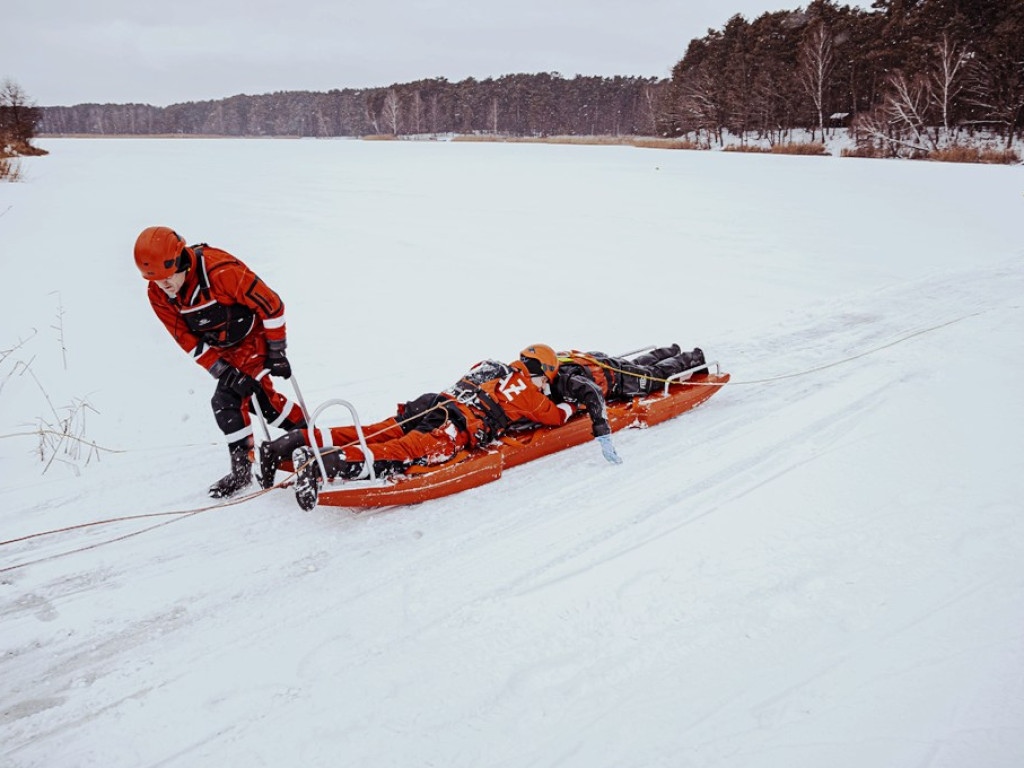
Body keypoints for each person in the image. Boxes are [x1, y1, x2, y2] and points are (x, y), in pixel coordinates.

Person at [257, 351, 578, 505]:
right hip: (455, 424)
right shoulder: (529, 392)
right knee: (405, 451)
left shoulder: (490, 366)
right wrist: (573, 404)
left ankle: (288, 444)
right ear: (541, 373)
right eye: (545, 380)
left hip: (434, 403)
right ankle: (324, 464)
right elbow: (556, 418)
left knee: (375, 431)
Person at [134, 226, 305, 498]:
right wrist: (224, 371)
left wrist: (276, 351)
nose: (163, 287)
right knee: (261, 401)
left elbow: (272, 305)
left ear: (180, 262)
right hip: (224, 348)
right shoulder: (157, 294)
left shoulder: (221, 272)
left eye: (167, 278)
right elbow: (188, 340)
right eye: (156, 281)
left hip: (254, 338)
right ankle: (306, 433)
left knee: (226, 402)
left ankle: (242, 472)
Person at [544, 343, 707, 463]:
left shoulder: (567, 381)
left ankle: (692, 357)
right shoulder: (553, 366)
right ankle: (669, 351)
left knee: (654, 376)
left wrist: (603, 436)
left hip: (618, 380)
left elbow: (594, 394)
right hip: (605, 366)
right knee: (635, 367)